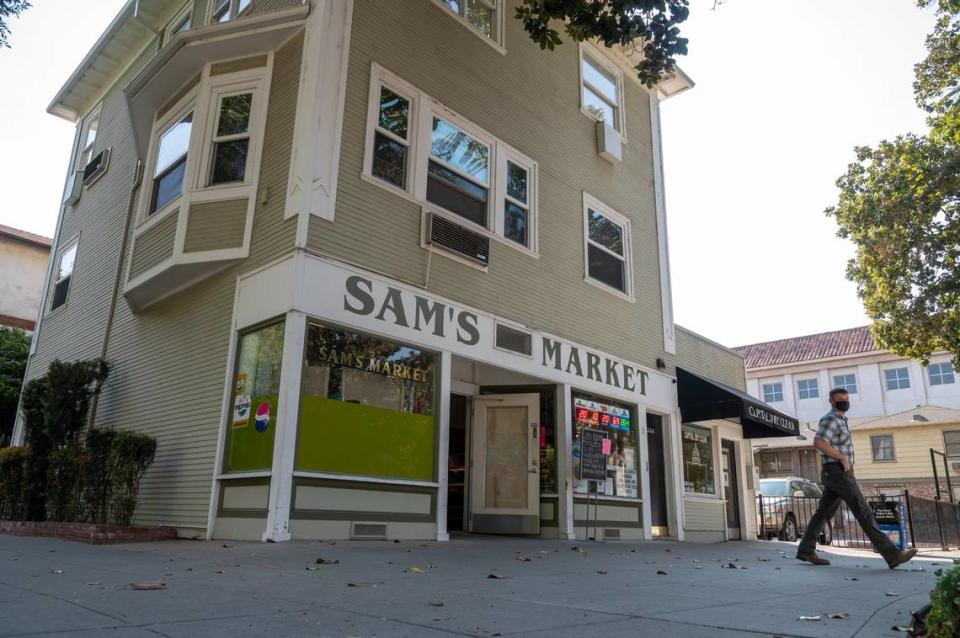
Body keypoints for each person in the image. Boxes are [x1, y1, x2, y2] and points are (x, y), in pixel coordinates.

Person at [796, 388, 917, 569]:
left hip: (838, 472)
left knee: (823, 513)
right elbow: (819, 442)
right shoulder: (830, 419)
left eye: (846, 398)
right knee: (863, 511)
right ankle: (892, 554)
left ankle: (806, 549)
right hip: (837, 471)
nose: (844, 401)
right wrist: (842, 458)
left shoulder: (842, 420)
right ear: (831, 401)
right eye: (840, 399)